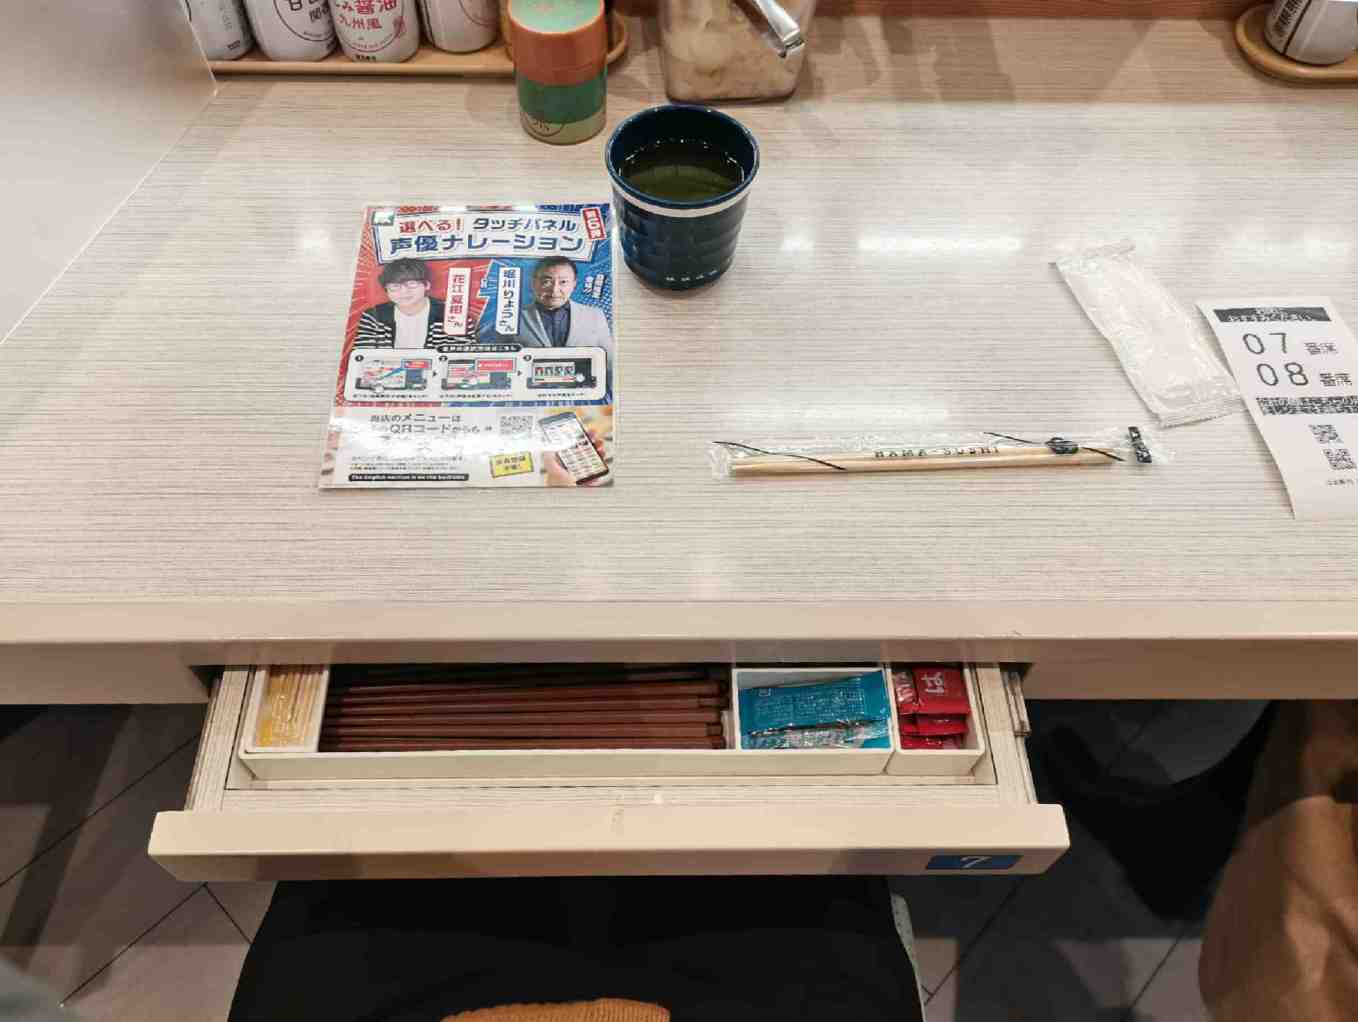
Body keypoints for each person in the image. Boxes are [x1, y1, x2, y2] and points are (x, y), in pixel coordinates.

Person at [479, 257, 613, 360]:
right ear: (534, 283)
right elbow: (501, 360)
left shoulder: (594, 315)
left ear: (574, 284)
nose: (554, 290)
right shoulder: (511, 316)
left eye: (563, 282)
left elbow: (609, 361)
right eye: (546, 282)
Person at [354, 259, 453, 349]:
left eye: (412, 283)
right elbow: (363, 355)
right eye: (395, 286)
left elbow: (457, 355)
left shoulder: (449, 313)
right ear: (386, 290)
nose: (404, 291)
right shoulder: (373, 316)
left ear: (427, 285)